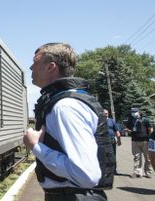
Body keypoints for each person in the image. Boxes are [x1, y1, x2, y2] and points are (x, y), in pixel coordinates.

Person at [23, 43, 114, 201]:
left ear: (51, 67)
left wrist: (35, 146)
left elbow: (86, 174)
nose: (31, 67)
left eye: (36, 62)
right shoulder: (65, 101)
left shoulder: (65, 106)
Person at [125, 107, 153, 178]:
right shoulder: (131, 120)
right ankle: (138, 173)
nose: (133, 113)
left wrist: (149, 138)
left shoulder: (145, 120)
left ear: (138, 112)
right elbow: (128, 128)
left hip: (145, 141)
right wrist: (128, 130)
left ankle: (148, 172)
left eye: (134, 112)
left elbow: (150, 129)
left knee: (148, 158)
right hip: (135, 141)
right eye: (132, 112)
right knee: (137, 157)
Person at [104, 109, 121, 174]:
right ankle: (105, 170)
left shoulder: (112, 121)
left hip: (111, 140)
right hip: (102, 141)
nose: (106, 114)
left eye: (107, 113)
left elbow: (117, 131)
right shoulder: (99, 120)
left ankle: (114, 170)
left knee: (113, 155)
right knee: (104, 155)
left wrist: (119, 140)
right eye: (105, 113)